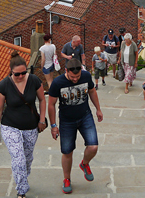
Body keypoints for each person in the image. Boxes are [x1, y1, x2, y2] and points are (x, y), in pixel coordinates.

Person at [0, 51, 47, 198]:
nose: (20, 76)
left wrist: (42, 120)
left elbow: (42, 100)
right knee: (19, 158)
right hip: (10, 125)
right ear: (11, 72)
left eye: (23, 73)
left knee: (27, 158)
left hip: (31, 127)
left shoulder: (34, 80)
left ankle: (22, 174)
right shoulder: (4, 85)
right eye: (17, 74)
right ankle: (21, 191)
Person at [48, 58, 104, 194]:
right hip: (67, 121)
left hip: (85, 116)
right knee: (67, 152)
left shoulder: (85, 76)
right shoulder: (57, 83)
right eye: (73, 77)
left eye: (77, 76)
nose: (75, 79)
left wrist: (98, 109)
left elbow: (92, 91)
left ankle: (84, 164)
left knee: (93, 146)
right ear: (66, 71)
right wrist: (53, 126)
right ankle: (67, 179)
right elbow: (51, 104)